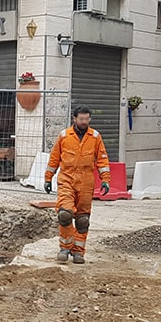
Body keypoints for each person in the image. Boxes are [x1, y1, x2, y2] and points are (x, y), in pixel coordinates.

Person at [43, 106, 112, 264]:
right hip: (67, 178)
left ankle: (78, 251)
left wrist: (105, 179)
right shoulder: (64, 136)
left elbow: (102, 159)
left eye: (87, 119)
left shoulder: (95, 137)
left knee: (82, 220)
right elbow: (54, 158)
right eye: (81, 119)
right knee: (65, 214)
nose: (84, 122)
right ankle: (64, 248)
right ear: (74, 119)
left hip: (86, 181)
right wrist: (48, 178)